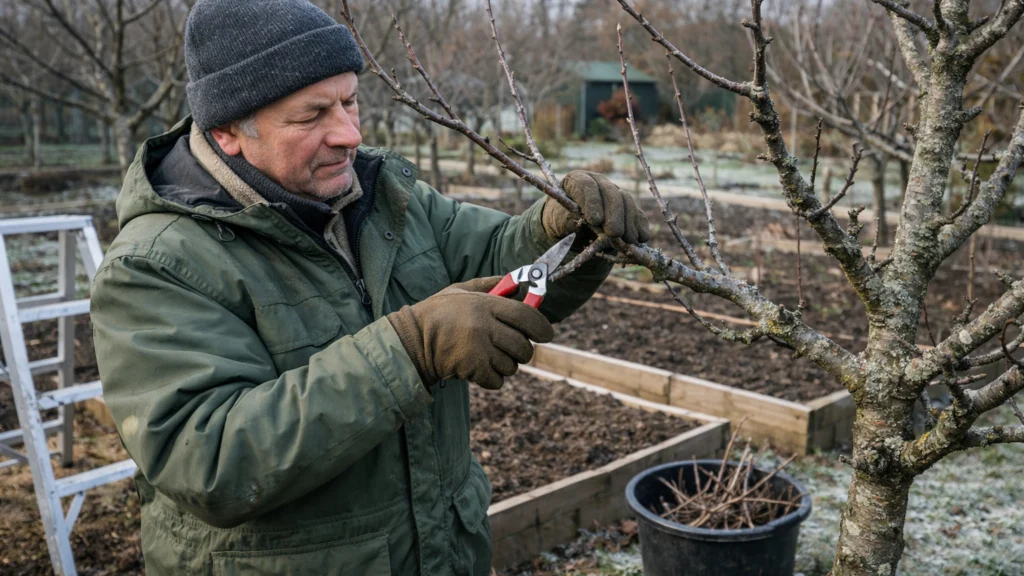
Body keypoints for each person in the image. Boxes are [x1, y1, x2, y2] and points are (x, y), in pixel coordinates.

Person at [90, 0, 650, 574]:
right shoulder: (155, 265)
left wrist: (562, 231)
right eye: (312, 115)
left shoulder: (383, 197)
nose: (349, 134)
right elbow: (209, 460)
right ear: (228, 131)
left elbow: (497, 262)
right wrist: (410, 350)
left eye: (350, 101)